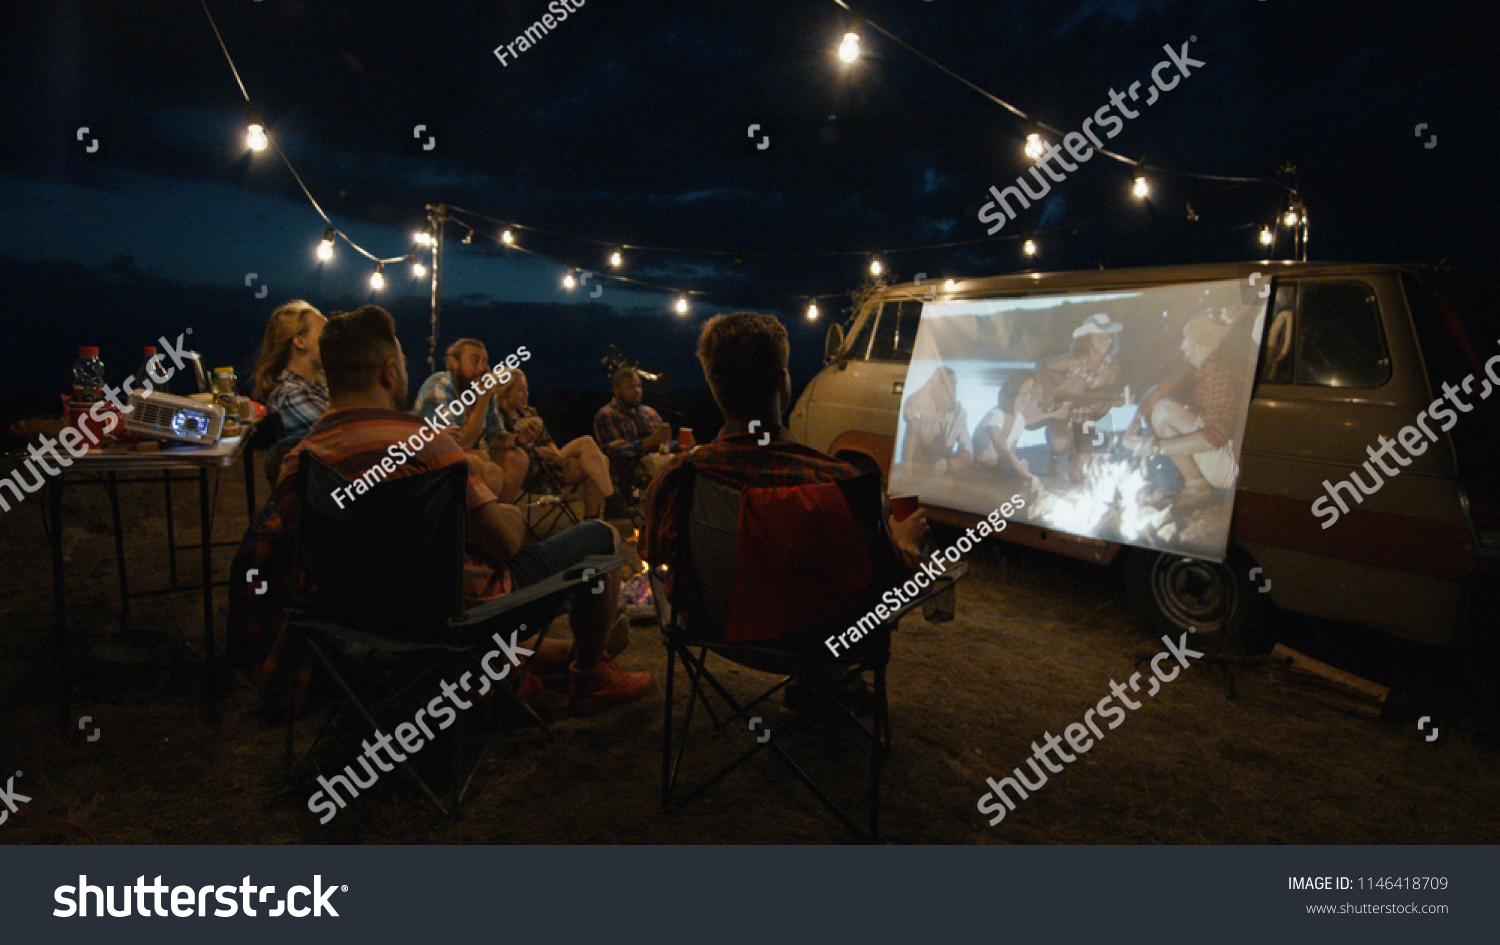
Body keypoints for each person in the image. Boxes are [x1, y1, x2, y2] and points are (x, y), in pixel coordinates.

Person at [239, 307, 651, 717]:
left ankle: (525, 664)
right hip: (452, 614)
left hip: (352, 618)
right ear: (388, 373)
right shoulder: (424, 442)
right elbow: (506, 543)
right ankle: (588, 675)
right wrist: (501, 507)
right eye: (400, 363)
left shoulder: (299, 463)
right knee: (599, 537)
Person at [641, 312, 928, 636]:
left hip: (712, 631)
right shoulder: (842, 484)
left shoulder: (677, 479)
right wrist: (907, 545)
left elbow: (654, 556)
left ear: (714, 387)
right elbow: (896, 582)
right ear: (782, 383)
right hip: (823, 645)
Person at [1124, 308, 1243, 510]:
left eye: (1186, 339)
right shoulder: (1200, 367)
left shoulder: (1222, 373)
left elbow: (1214, 437)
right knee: (1160, 407)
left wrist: (1155, 447)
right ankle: (1197, 487)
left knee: (1164, 411)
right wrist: (1135, 422)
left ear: (1199, 344)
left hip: (1230, 465)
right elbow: (1157, 392)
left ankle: (1198, 489)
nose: (1182, 346)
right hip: (1221, 452)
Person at [412, 338, 528, 504]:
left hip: (461, 458)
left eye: (484, 362)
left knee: (517, 458)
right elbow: (458, 446)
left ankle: (497, 516)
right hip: (428, 465)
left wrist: (518, 439)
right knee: (484, 464)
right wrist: (483, 399)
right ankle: (481, 522)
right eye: (475, 361)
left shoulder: (479, 390)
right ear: (455, 363)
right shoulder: (439, 385)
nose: (481, 368)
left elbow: (495, 437)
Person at [495, 368, 614, 518]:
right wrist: (537, 452)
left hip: (549, 465)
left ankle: (592, 519)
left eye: (527, 390)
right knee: (592, 451)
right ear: (505, 392)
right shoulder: (497, 418)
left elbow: (547, 440)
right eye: (521, 390)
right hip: (531, 471)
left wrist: (553, 453)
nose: (527, 394)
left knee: (598, 458)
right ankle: (611, 501)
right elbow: (500, 447)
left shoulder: (528, 413)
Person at [1036, 313, 1126, 482]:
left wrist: (1107, 405)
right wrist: (1049, 390)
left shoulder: (1112, 367)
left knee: (1080, 475)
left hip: (1088, 420)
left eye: (1108, 337)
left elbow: (1103, 408)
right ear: (1088, 340)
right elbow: (1041, 366)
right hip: (1061, 418)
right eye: (1099, 337)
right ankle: (1054, 460)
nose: (1105, 341)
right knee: (1060, 442)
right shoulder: (1074, 361)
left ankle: (1079, 457)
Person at [594, 366, 692, 499]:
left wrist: (679, 444)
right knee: (686, 466)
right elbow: (613, 452)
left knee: (697, 454)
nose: (637, 391)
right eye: (630, 388)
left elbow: (664, 445)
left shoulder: (649, 412)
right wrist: (649, 442)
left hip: (660, 459)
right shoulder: (607, 415)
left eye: (639, 386)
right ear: (616, 390)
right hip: (634, 467)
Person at [971, 370, 1062, 492]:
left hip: (997, 467)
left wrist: (1020, 470)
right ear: (1011, 393)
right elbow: (1002, 449)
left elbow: (1011, 453)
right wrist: (1027, 475)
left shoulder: (1020, 421)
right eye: (1021, 393)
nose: (1025, 398)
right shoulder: (996, 415)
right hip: (978, 468)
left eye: (1029, 393)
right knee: (1017, 470)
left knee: (1021, 469)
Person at [252, 301, 328, 440]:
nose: (331, 340)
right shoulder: (292, 395)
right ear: (300, 342)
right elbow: (343, 438)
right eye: (324, 334)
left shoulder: (314, 387)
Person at [900, 364, 972, 474]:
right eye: (947, 386)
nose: (952, 391)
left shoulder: (960, 413)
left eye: (954, 386)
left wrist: (949, 465)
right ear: (934, 387)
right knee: (913, 423)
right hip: (918, 461)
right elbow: (907, 411)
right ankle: (907, 473)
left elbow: (968, 452)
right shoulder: (924, 403)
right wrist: (930, 382)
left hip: (942, 463)